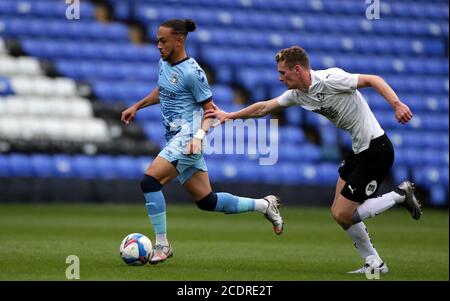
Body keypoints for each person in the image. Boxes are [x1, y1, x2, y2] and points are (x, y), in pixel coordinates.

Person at [204, 45, 422, 274]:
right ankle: (375, 263)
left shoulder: (331, 79)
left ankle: (399, 195)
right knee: (339, 212)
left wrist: (397, 104)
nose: (280, 78)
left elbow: (374, 79)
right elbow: (264, 107)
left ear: (297, 69)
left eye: (282, 73)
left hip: (376, 150)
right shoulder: (299, 94)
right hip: (359, 150)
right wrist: (230, 116)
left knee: (342, 213)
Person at [120, 19, 284, 265]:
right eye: (157, 40)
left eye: (163, 41)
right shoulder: (164, 63)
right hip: (177, 139)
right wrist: (137, 106)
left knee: (150, 181)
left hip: (188, 137)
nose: (158, 45)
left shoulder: (193, 73)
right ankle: (265, 205)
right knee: (207, 201)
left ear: (179, 41)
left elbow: (211, 112)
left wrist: (197, 138)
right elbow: (163, 90)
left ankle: (162, 245)